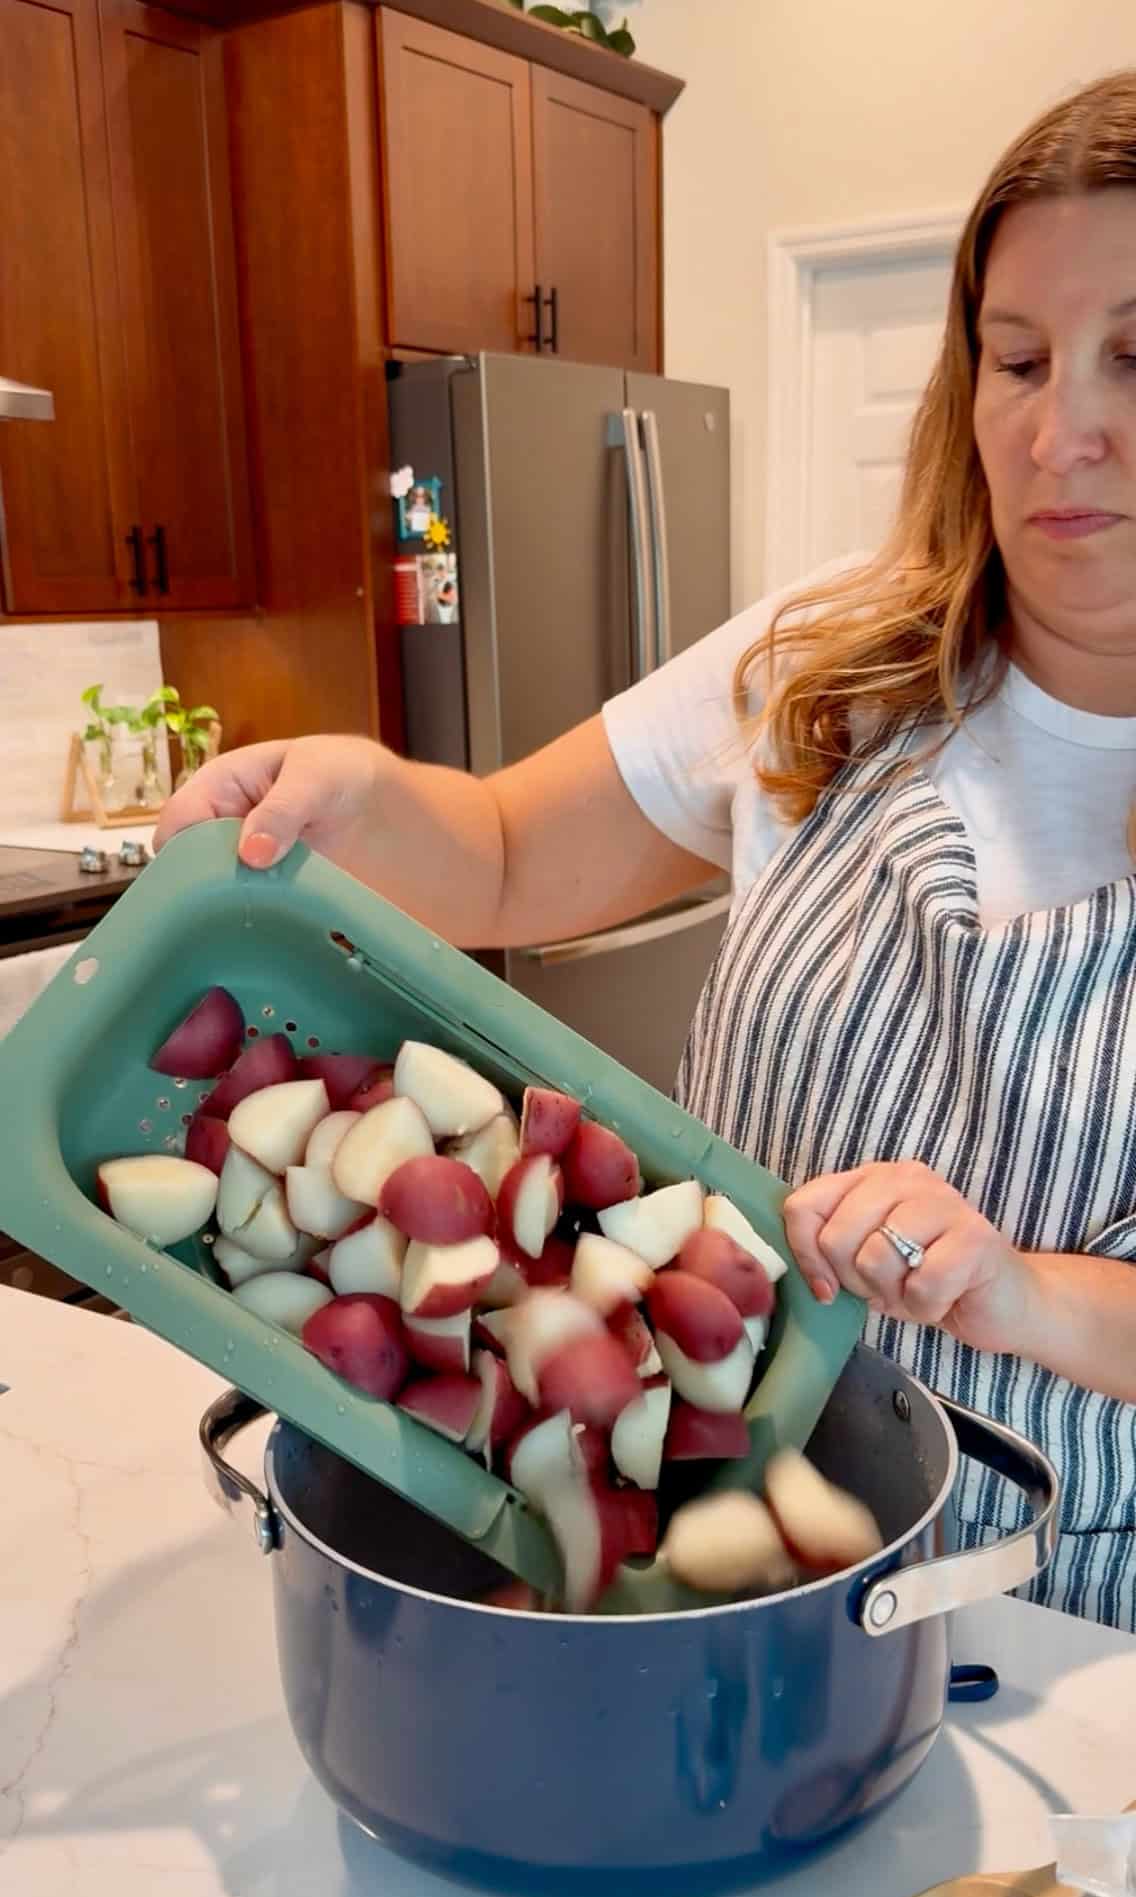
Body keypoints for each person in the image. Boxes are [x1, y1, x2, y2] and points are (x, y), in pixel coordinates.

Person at [158, 71, 1136, 1633]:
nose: (1058, 428)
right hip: (681, 1517)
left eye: (1132, 359)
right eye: (1014, 360)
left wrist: (1013, 1284)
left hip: (1050, 1605)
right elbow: (494, 855)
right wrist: (362, 791)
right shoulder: (835, 660)